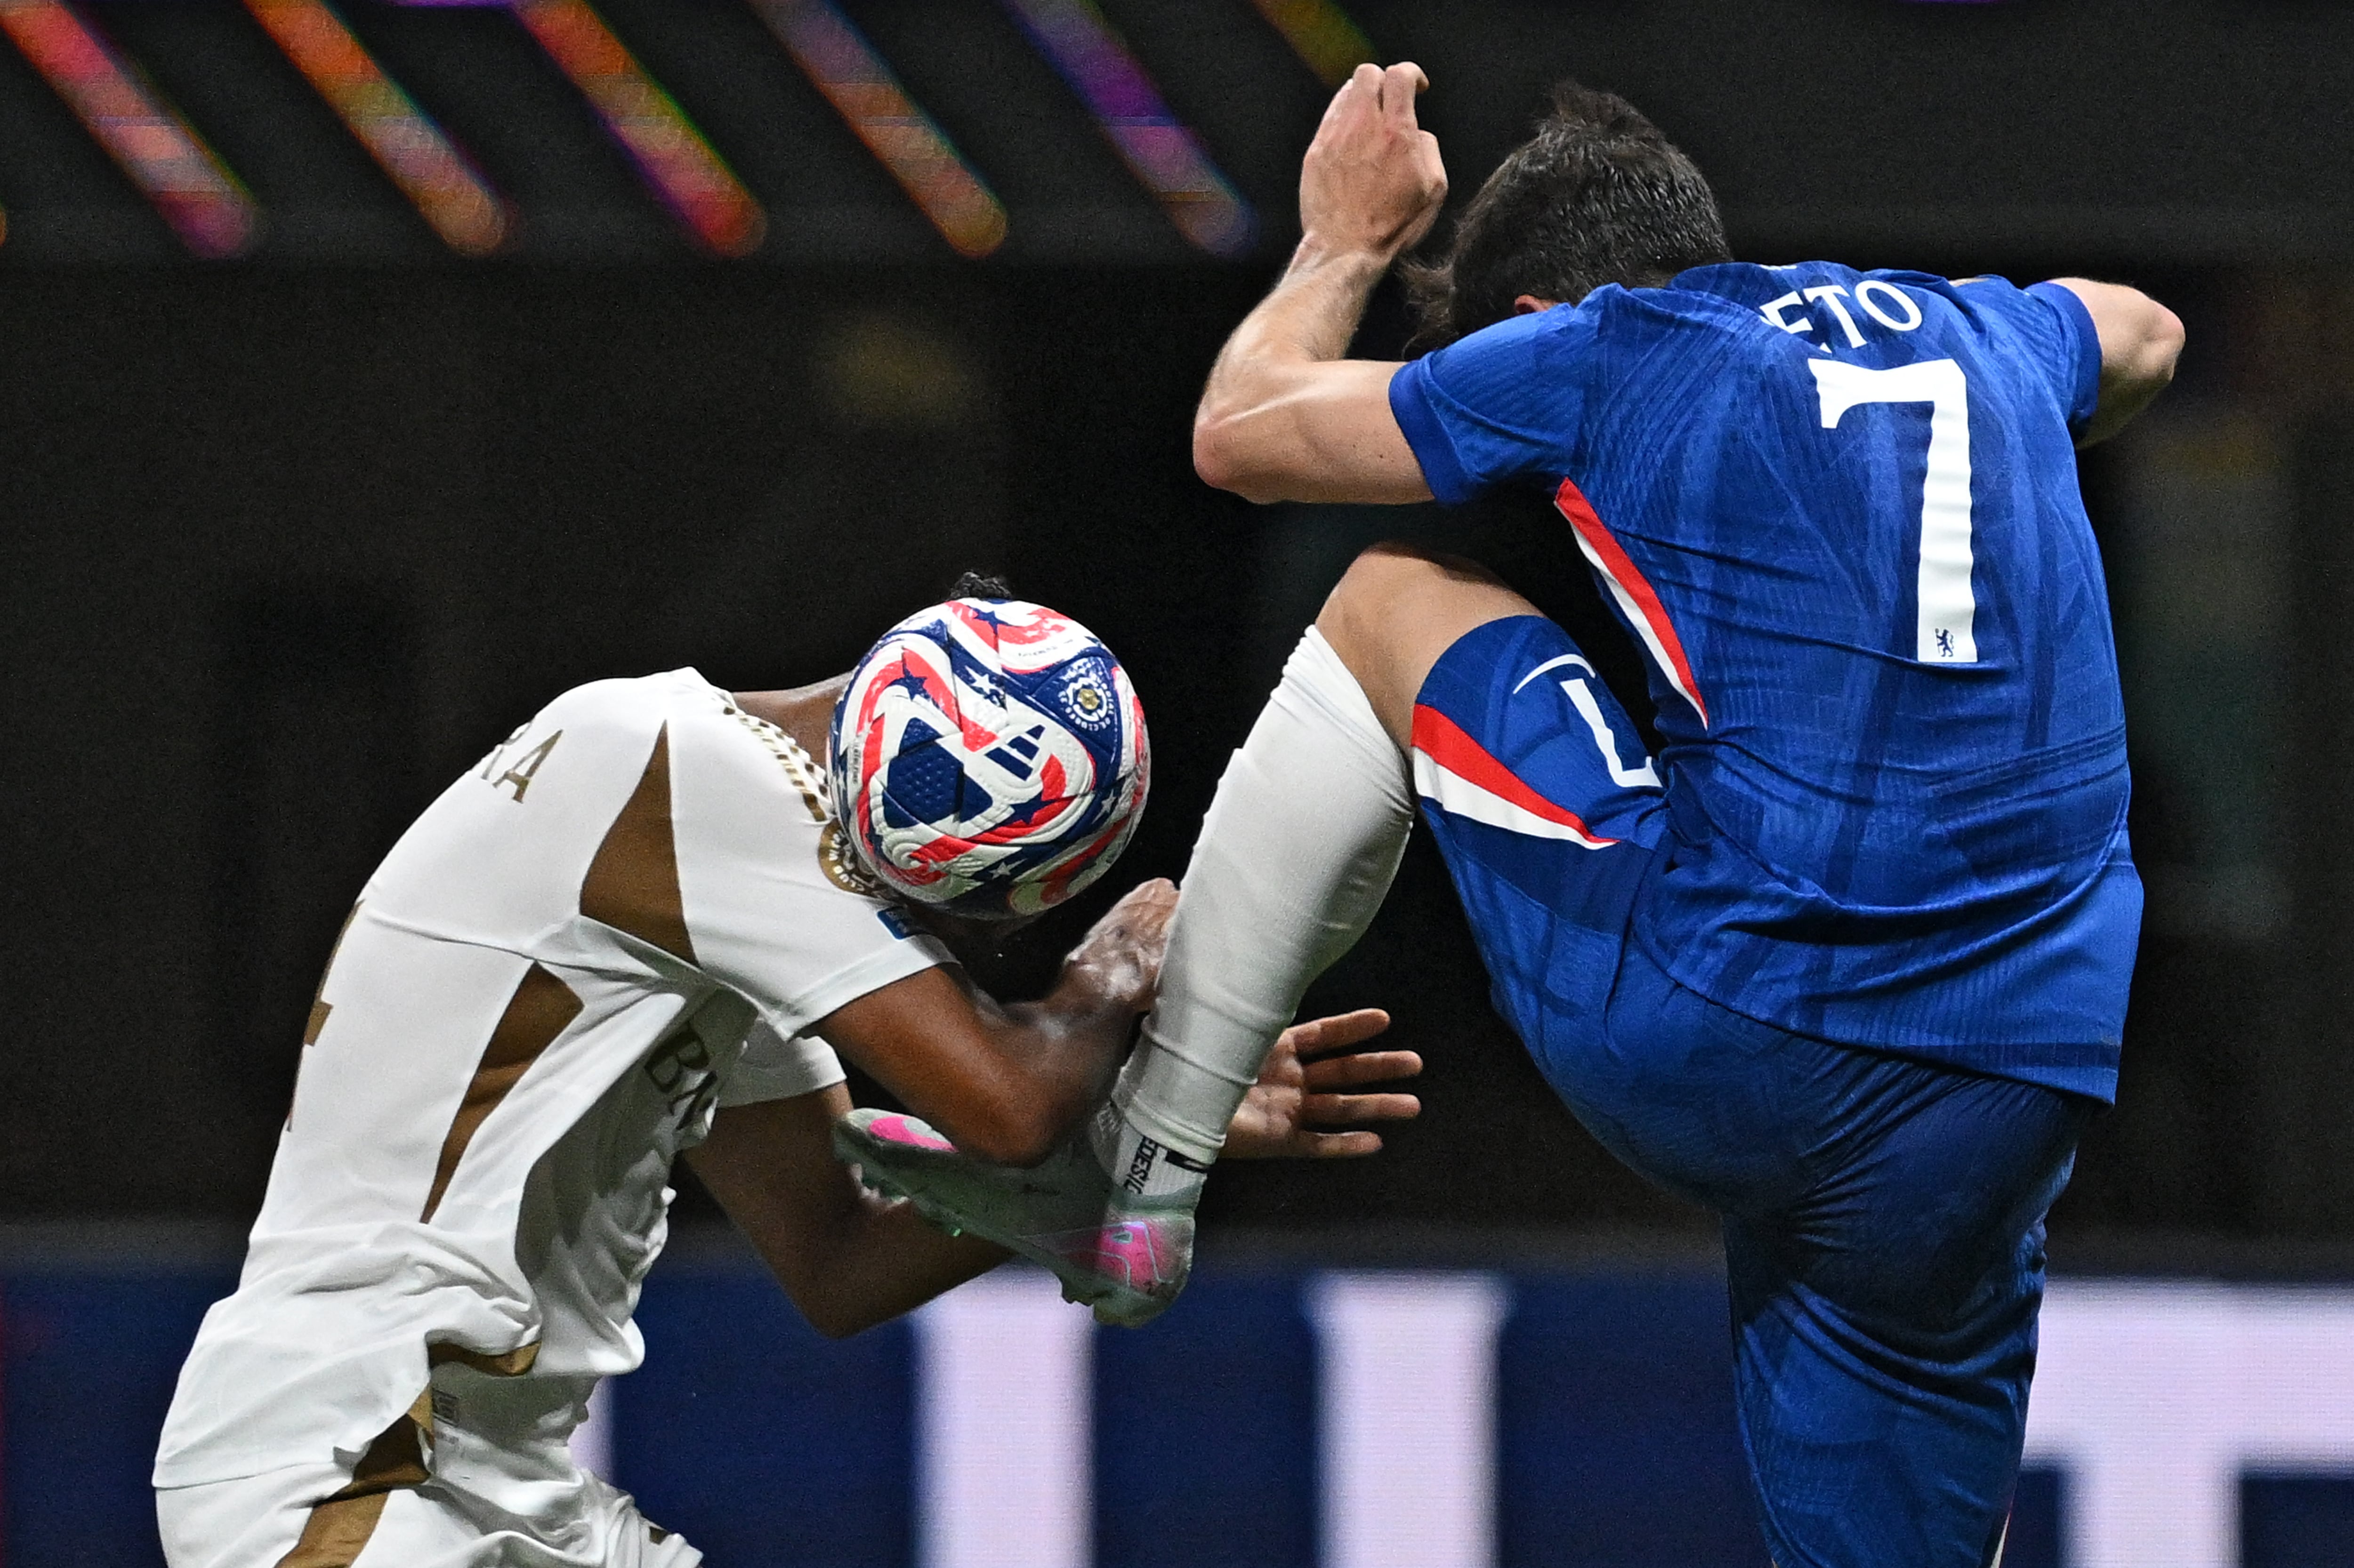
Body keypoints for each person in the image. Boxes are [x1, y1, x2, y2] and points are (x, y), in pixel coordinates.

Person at [839, 70, 2184, 1568]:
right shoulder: (1985, 331)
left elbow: (1242, 429)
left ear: (1534, 316)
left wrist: (1344, 246)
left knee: (1390, 597)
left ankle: (1142, 1181)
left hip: (1742, 1029)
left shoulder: (1604, 350)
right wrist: (2014, 413)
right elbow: (2144, 330)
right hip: (2009, 1094)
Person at [152, 583, 1417, 1568]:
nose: (927, 939)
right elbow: (1012, 1108)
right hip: (343, 1461)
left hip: (494, 1488)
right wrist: (1112, 973)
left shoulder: (719, 883)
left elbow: (840, 1256)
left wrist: (1150, 1122)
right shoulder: (678, 766)